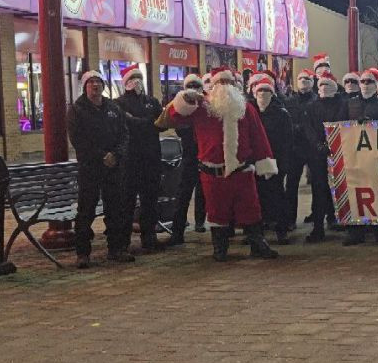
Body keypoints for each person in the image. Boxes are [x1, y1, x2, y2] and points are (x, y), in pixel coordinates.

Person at [166, 67, 279, 261]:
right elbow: (173, 117)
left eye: (228, 82)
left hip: (242, 170)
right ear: (213, 85)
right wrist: (185, 97)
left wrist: (264, 161)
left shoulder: (245, 107)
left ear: (235, 85)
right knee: (217, 211)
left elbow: (259, 136)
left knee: (250, 209)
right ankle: (220, 247)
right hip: (212, 172)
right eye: (220, 83)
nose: (224, 87)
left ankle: (257, 243)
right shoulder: (201, 107)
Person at [68, 71, 133, 268]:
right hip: (90, 168)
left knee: (115, 208)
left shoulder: (113, 108)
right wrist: (101, 156)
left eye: (98, 82)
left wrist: (116, 154)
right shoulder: (77, 110)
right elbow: (78, 140)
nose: (95, 86)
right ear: (85, 86)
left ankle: (116, 248)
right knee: (86, 210)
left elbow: (124, 134)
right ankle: (83, 253)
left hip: (113, 168)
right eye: (91, 82)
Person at [115, 64, 165, 253]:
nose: (137, 81)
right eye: (132, 78)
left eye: (139, 77)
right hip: (130, 160)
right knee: (127, 201)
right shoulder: (118, 103)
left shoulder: (152, 101)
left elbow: (162, 123)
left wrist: (141, 123)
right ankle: (123, 241)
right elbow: (127, 124)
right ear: (126, 82)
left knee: (150, 200)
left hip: (151, 158)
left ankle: (149, 237)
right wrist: (148, 124)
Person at [345, 69, 378, 246]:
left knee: (376, 192)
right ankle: (356, 231)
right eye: (363, 82)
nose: (365, 85)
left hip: (376, 155)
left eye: (369, 82)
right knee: (355, 192)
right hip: (354, 156)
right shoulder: (350, 104)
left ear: (376, 85)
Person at [298, 70, 349, 243]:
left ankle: (345, 223)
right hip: (317, 155)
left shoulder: (344, 104)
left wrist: (333, 143)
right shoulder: (311, 106)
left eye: (327, 84)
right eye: (321, 84)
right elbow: (308, 128)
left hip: (340, 153)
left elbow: (345, 124)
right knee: (319, 191)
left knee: (343, 187)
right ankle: (318, 227)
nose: (324, 87)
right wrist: (319, 145)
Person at [249, 72, 294, 245]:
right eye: (259, 91)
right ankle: (257, 233)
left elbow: (287, 141)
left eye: (266, 91)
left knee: (277, 196)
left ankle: (281, 230)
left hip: (275, 162)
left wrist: (283, 164)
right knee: (256, 198)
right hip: (255, 161)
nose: (262, 94)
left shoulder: (281, 114)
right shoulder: (250, 112)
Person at [168, 74, 207, 246]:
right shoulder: (182, 108)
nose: (193, 89)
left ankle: (204, 223)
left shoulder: (206, 107)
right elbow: (176, 125)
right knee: (183, 195)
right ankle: (177, 232)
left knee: (205, 193)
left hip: (206, 157)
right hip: (190, 157)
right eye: (190, 85)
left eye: (196, 86)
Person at [286, 70, 315, 229]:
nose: (304, 81)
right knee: (291, 185)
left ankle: (316, 215)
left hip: (312, 148)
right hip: (295, 148)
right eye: (301, 78)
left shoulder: (317, 101)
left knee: (318, 184)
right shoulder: (289, 102)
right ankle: (290, 219)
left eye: (307, 79)